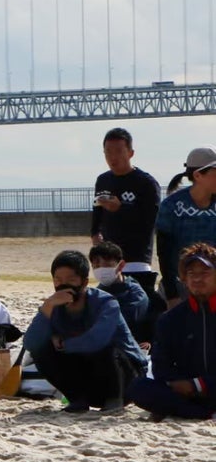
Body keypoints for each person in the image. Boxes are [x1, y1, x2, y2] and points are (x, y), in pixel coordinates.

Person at [22, 250, 143, 413]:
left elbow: (97, 340)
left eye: (71, 280)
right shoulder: (54, 307)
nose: (63, 285)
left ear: (84, 282)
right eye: (58, 280)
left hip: (126, 379)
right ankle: (78, 400)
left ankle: (114, 401)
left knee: (106, 348)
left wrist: (64, 343)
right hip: (88, 380)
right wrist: (46, 308)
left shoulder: (106, 303)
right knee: (42, 351)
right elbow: (31, 343)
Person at [128, 244, 216, 421]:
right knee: (138, 387)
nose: (198, 279)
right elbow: (161, 365)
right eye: (192, 274)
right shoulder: (171, 319)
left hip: (206, 387)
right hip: (188, 393)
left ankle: (188, 411)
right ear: (184, 279)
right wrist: (185, 385)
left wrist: (199, 384)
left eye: (205, 273)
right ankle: (205, 414)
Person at [92, 128, 162, 297]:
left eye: (118, 151)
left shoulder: (146, 183)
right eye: (108, 152)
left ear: (130, 153)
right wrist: (94, 233)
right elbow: (97, 210)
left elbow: (150, 221)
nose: (112, 157)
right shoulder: (103, 180)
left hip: (137, 259)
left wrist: (121, 208)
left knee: (138, 306)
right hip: (109, 260)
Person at [155, 147, 216, 304]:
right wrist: (171, 295)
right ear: (197, 175)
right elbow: (164, 253)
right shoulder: (171, 206)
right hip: (182, 286)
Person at [86, 240, 151, 344]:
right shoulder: (97, 293)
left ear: (121, 265)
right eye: (96, 266)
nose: (100, 269)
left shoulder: (135, 294)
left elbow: (120, 321)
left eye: (106, 265)